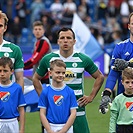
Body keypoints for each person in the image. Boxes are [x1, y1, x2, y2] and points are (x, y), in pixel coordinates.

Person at [33, 27, 104, 133]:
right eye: (62, 38)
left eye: (69, 38)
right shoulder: (48, 59)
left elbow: (100, 77)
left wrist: (91, 97)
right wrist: (44, 97)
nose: (65, 40)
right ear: (58, 41)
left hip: (78, 112)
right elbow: (35, 78)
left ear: (74, 41)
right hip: (55, 114)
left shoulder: (82, 59)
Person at [99, 12, 133, 114]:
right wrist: (106, 94)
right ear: (129, 26)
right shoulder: (120, 47)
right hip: (123, 100)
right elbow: (113, 74)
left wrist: (128, 65)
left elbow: (126, 65)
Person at [38, 59, 78, 133]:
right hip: (50, 127)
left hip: (66, 127)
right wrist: (49, 130)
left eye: (63, 73)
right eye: (57, 72)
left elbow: (73, 113)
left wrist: (63, 130)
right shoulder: (45, 92)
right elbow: (42, 113)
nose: (61, 75)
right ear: (50, 73)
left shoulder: (70, 92)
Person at [0, 57, 26, 133]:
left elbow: (21, 109)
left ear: (12, 71)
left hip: (13, 122)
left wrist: (21, 129)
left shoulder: (17, 88)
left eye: (5, 71)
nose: (2, 74)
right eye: (0, 71)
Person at [0, 10, 24, 90]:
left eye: (0, 26)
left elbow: (19, 78)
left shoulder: (14, 49)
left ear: (5, 28)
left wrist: (19, 99)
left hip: (8, 97)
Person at [109, 67, 133, 133]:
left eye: (132, 82)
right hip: (122, 128)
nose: (130, 85)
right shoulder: (118, 99)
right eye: (127, 82)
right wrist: (112, 131)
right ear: (122, 82)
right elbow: (113, 118)